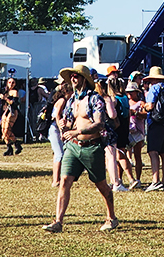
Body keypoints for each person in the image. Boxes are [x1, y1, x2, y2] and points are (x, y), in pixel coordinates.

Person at [44, 64, 117, 233]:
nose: (73, 79)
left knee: (102, 185)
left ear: (84, 79)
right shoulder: (71, 101)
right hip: (73, 147)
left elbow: (99, 124)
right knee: (64, 182)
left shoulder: (94, 99)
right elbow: (70, 123)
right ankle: (58, 222)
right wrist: (64, 125)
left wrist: (77, 131)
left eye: (76, 76)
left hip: (92, 148)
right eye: (71, 76)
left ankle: (111, 217)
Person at [141, 65, 164, 191]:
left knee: (153, 152)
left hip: (155, 123)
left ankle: (155, 181)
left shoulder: (154, 89)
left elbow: (150, 106)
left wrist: (144, 107)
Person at [125, 85, 147, 187]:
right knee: (122, 154)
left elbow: (146, 114)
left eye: (131, 92)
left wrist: (136, 113)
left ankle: (138, 178)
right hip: (128, 131)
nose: (129, 94)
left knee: (137, 155)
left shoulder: (141, 103)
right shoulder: (126, 102)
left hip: (138, 131)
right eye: (128, 92)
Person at [0, 75, 22, 156]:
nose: (11, 84)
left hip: (12, 111)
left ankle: (14, 145)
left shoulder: (15, 92)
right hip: (5, 111)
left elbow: (14, 103)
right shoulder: (5, 91)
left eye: (13, 82)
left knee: (7, 130)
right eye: (9, 82)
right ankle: (11, 146)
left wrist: (5, 98)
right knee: (3, 131)